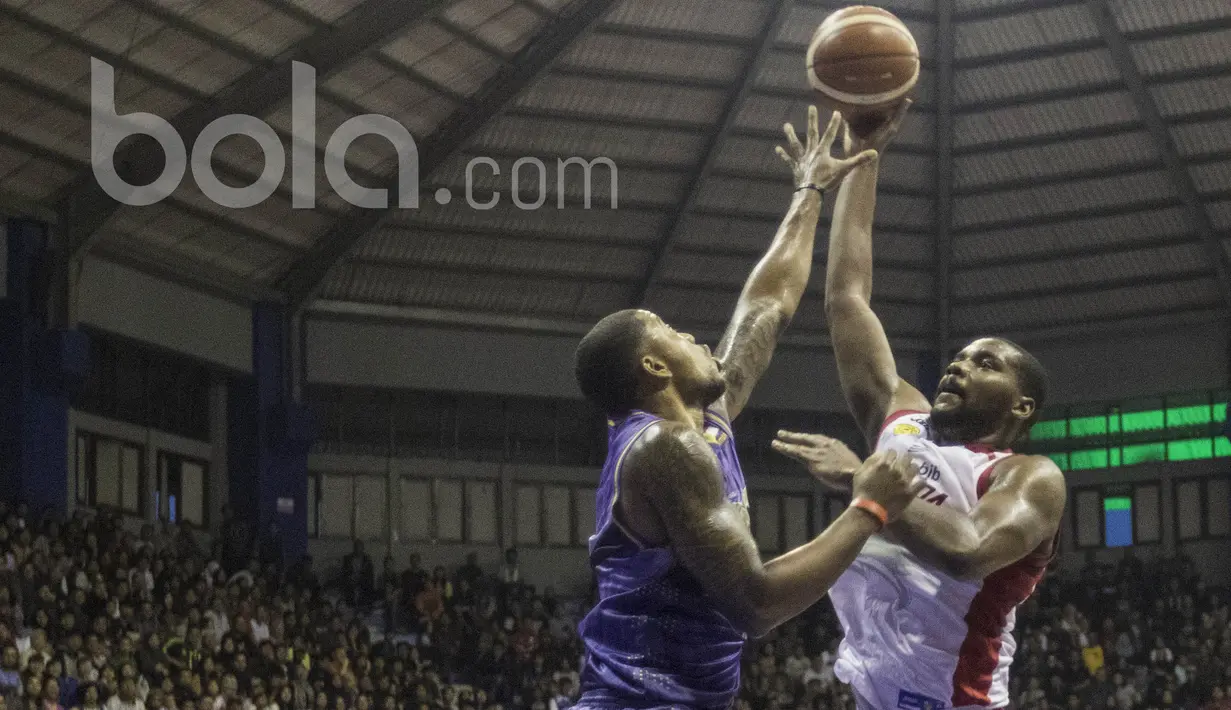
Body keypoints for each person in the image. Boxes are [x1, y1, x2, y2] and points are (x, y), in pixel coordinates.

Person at [568, 106, 922, 710]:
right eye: (674, 334)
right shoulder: (665, 448)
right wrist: (869, 508)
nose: (697, 339)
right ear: (654, 369)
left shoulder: (702, 423)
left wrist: (810, 189)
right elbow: (756, 604)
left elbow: (768, 302)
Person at [770, 100, 1066, 709]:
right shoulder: (901, 415)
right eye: (959, 356)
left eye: (987, 363)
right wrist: (861, 156)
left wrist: (861, 479)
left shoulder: (1027, 476)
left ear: (1023, 404)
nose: (960, 364)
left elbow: (969, 553)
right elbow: (848, 299)